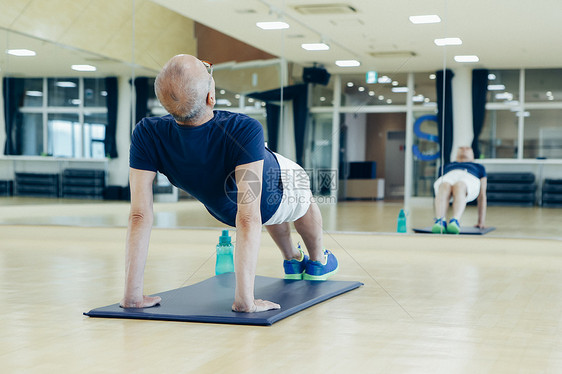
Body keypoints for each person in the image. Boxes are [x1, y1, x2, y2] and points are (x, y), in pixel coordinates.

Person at [120, 54, 338, 313]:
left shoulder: (146, 132)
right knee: (303, 192)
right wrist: (245, 301)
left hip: (225, 210)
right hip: (265, 198)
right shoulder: (244, 129)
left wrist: (132, 296)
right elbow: (249, 217)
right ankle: (317, 262)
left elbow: (139, 215)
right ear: (211, 97)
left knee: (270, 201)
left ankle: (292, 258)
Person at [431, 146, 487, 234]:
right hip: (449, 176)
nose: (464, 149)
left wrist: (481, 222)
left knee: (460, 185)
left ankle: (455, 221)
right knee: (444, 185)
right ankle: (440, 220)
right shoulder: (446, 166)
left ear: (472, 155)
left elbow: (482, 195)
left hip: (469, 177)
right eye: (461, 148)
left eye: (467, 149)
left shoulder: (479, 167)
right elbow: (439, 196)